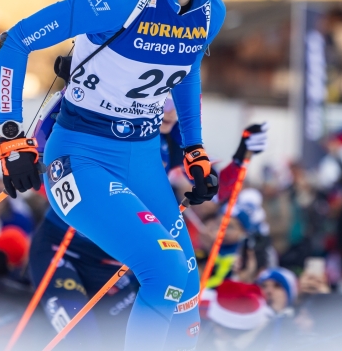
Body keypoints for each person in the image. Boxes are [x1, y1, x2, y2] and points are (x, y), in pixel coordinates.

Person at [0, 0, 239, 351]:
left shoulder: (211, 11)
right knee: (164, 272)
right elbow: (16, 42)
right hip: (81, 156)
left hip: (143, 158)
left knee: (186, 286)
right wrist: (11, 136)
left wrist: (194, 148)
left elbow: (185, 71)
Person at [26, 123, 268, 349]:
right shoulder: (110, 119)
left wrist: (239, 158)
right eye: (166, 104)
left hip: (113, 264)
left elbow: (213, 191)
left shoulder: (171, 140)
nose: (171, 113)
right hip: (62, 249)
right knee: (84, 340)